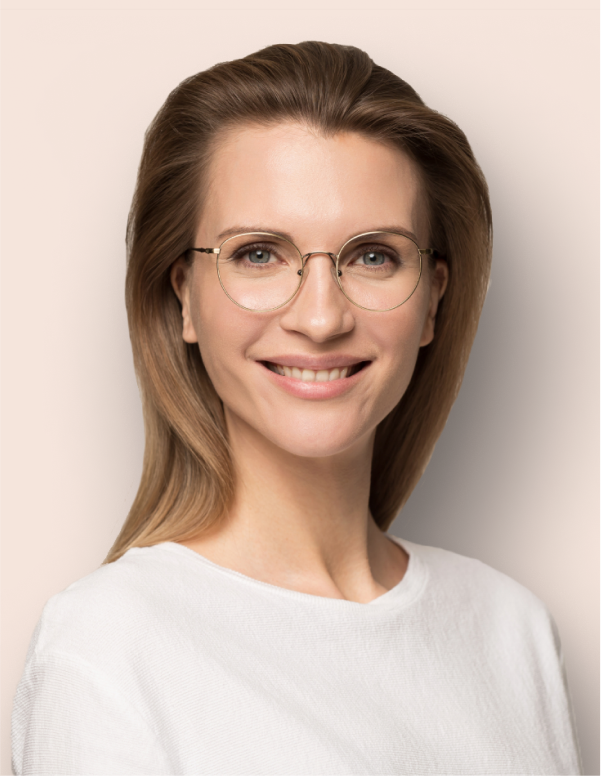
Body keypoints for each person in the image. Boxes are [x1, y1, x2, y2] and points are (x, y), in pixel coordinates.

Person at [11, 41, 582, 775]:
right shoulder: (108, 646)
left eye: (373, 255)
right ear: (183, 294)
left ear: (434, 298)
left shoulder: (511, 629)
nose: (320, 318)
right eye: (257, 253)